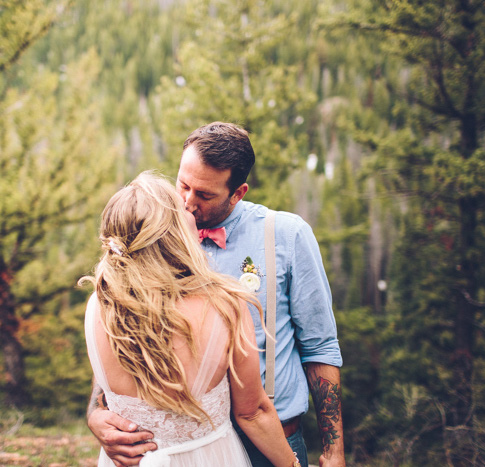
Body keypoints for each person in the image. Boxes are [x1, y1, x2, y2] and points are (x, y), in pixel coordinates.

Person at [88, 122, 346, 467]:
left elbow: (320, 347)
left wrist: (334, 450)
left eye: (205, 195)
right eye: (182, 185)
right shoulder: (150, 237)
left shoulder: (286, 236)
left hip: (272, 442)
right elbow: (123, 329)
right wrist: (97, 413)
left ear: (238, 193)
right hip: (175, 447)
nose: (187, 203)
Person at [81, 171, 300, 467]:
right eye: (182, 207)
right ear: (172, 232)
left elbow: (105, 391)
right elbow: (253, 413)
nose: (191, 206)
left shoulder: (99, 303)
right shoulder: (225, 305)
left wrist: (94, 413)